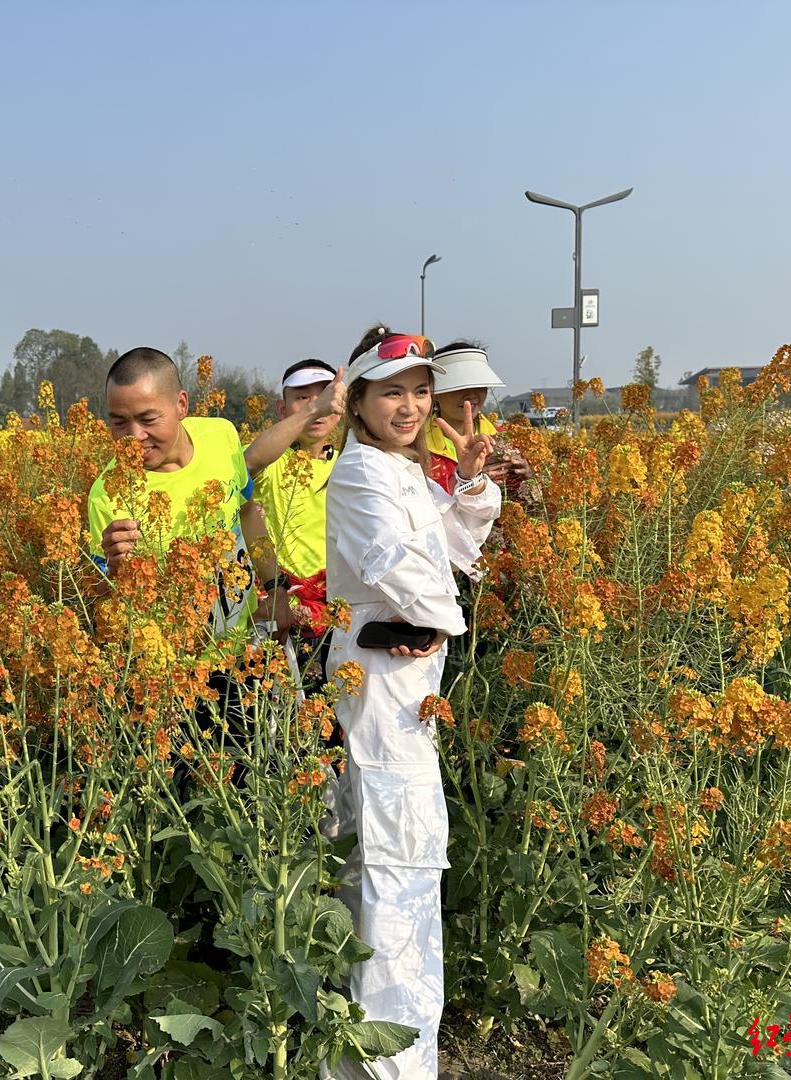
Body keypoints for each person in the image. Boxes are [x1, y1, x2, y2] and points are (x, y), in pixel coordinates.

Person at [323, 325, 500, 1080]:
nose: (409, 405)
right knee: (394, 864)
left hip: (407, 689)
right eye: (391, 391)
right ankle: (380, 1062)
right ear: (358, 399)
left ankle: (389, 1049)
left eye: (420, 391)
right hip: (380, 688)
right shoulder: (361, 474)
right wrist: (438, 624)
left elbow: (460, 549)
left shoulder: (404, 470)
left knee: (398, 862)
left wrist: (466, 481)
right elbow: (403, 573)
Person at [88, 346, 295, 640]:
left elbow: (247, 512)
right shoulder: (106, 494)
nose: (134, 438)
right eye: (119, 422)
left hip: (245, 646)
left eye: (148, 419)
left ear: (181, 405)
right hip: (175, 670)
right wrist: (113, 569)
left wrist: (276, 587)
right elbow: (99, 597)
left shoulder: (222, 436)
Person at [239, 359, 347, 691]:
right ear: (282, 408)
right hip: (280, 606)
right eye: (303, 399)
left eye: (324, 397)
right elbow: (243, 467)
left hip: (335, 613)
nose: (317, 408)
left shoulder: (348, 462)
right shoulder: (273, 459)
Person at [426, 340, 531, 494]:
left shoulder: (504, 438)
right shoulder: (415, 444)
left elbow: (525, 506)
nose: (471, 394)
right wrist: (470, 484)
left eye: (479, 384)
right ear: (434, 392)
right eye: (459, 386)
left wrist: (527, 478)